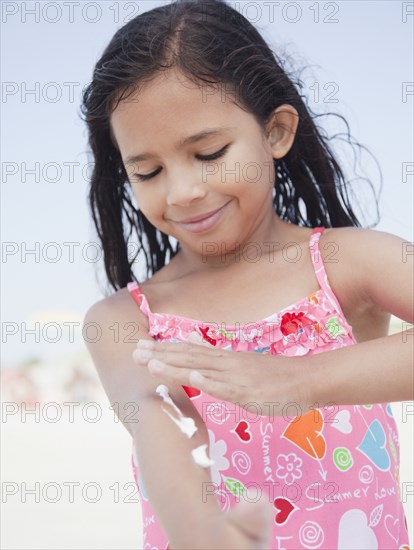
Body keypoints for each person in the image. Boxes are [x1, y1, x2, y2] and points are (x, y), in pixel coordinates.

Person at [80, 0, 413, 548]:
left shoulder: (348, 263)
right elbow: (156, 422)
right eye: (149, 170)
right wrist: (202, 530)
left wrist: (304, 381)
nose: (183, 190)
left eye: (209, 153)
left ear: (276, 132)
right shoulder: (123, 321)